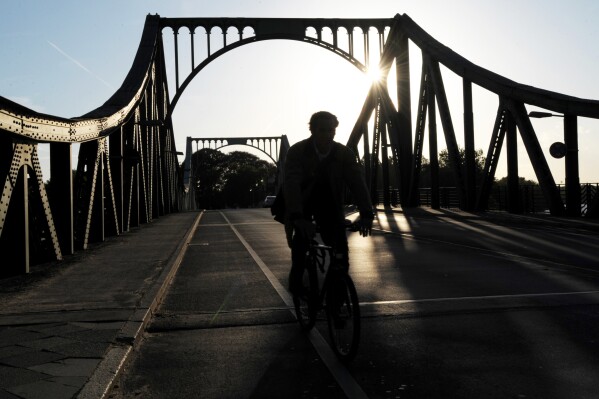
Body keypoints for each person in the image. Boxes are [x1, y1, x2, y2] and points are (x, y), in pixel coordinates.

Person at [283, 111, 374, 294]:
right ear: (313, 131)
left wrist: (366, 213)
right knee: (300, 248)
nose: (327, 134)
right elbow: (291, 184)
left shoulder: (343, 154)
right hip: (303, 204)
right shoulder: (297, 152)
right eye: (322, 130)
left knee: (341, 254)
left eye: (331, 130)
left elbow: (357, 183)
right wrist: (297, 217)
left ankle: (337, 302)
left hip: (329, 204)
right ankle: (296, 284)